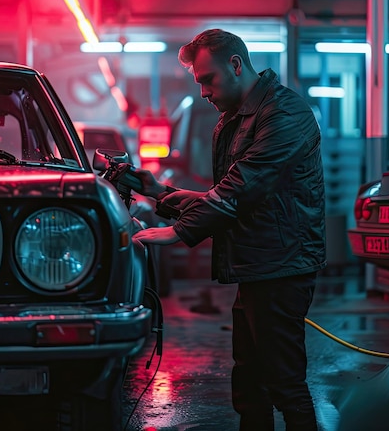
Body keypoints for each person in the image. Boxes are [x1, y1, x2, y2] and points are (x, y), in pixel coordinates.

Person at [133, 28, 326, 431]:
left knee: (284, 384)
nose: (204, 91)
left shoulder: (284, 114)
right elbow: (225, 195)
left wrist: (178, 232)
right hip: (257, 265)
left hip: (283, 266)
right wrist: (158, 193)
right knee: (249, 384)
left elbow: (240, 189)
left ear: (235, 65)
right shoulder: (236, 119)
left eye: (208, 79)